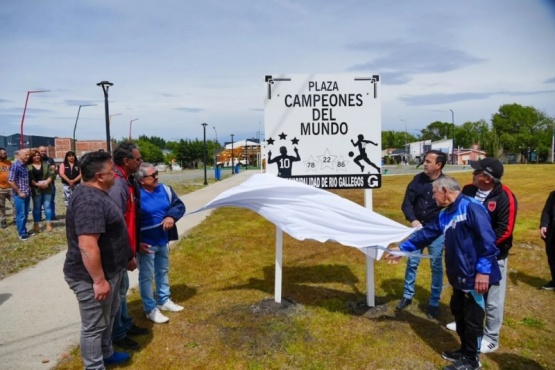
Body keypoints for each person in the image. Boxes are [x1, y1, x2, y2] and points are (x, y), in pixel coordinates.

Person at [387, 176, 501, 370]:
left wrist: (483, 272)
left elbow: (488, 242)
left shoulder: (471, 207)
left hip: (475, 277)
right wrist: (402, 249)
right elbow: (427, 234)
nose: (433, 197)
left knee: (472, 319)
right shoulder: (445, 214)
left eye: (434, 193)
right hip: (459, 275)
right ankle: (465, 351)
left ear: (445, 191)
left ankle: (472, 360)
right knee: (458, 311)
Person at [63, 151, 132, 368]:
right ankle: (94, 366)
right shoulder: (89, 200)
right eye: (112, 172)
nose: (116, 175)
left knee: (108, 317)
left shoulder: (100, 194)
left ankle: (106, 353)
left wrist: (127, 258)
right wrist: (99, 281)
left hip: (112, 270)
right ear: (100, 176)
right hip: (90, 278)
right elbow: (87, 246)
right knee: (93, 325)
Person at [445, 158, 518, 354]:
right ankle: (467, 326)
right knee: (469, 292)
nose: (473, 174)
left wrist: (483, 248)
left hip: (494, 256)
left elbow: (505, 230)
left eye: (477, 172)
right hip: (468, 257)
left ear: (486, 178)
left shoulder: (505, 197)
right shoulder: (468, 190)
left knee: (493, 299)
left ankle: (492, 336)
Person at [397, 150, 446, 319]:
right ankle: (407, 295)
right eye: (424, 161)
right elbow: (406, 204)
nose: (424, 164)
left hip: (437, 233)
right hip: (417, 231)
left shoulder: (447, 184)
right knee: (412, 263)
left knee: (436, 267)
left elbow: (452, 209)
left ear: (438, 165)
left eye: (428, 161)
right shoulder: (417, 180)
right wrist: (413, 220)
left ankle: (434, 303)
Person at [109, 142, 148, 350]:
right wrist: (127, 254)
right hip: (118, 252)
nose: (140, 162)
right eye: (138, 159)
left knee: (122, 290)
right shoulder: (117, 184)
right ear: (127, 161)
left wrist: (135, 243)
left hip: (127, 247)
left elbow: (132, 218)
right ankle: (118, 333)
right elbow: (117, 224)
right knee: (117, 293)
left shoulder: (128, 180)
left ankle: (124, 324)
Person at [136, 163, 186, 323]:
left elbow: (179, 205)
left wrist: (171, 216)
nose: (157, 177)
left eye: (157, 173)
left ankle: (164, 300)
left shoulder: (165, 189)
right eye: (153, 175)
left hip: (162, 239)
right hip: (145, 242)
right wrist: (136, 241)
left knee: (162, 270)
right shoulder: (134, 194)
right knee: (146, 276)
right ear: (142, 180)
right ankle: (150, 309)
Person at [7, 149, 33, 240]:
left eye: (28, 155)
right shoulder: (15, 166)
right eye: (26, 155)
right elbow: (10, 180)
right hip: (19, 195)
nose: (28, 156)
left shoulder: (25, 166)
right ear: (19, 155)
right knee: (20, 215)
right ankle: (21, 233)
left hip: (26, 193)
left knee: (25, 214)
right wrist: (19, 191)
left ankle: (24, 231)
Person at [28, 149, 55, 233]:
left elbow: (52, 174)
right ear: (31, 157)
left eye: (38, 155)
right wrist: (38, 185)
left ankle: (48, 223)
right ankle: (36, 224)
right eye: (34, 155)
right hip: (36, 189)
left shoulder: (45, 164)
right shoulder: (29, 166)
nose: (37, 157)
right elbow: (30, 178)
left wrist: (47, 182)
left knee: (47, 206)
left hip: (47, 188)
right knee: (37, 207)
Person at [540, 189, 555, 290]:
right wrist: (544, 225)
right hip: (552, 233)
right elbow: (546, 211)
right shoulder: (553, 195)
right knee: (552, 257)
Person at [39, 146, 57, 220]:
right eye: (41, 151)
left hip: (50, 184)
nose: (43, 152)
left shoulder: (50, 159)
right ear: (38, 151)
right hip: (39, 184)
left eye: (44, 151)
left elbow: (53, 170)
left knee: (51, 201)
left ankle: (52, 215)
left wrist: (54, 169)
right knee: (39, 202)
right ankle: (38, 217)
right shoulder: (35, 159)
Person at [0, 147, 14, 228]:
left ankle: (15, 218)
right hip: (1, 189)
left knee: (15, 204)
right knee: (1, 206)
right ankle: (3, 220)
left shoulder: (9, 163)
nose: (6, 154)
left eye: (6, 153)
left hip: (11, 188)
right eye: (4, 153)